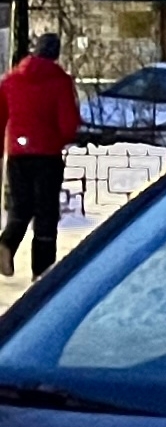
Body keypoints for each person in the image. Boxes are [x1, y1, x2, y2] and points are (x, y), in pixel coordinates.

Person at [0, 32, 81, 279]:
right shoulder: (60, 81)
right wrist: (62, 138)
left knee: (21, 207)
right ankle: (42, 272)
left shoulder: (11, 80)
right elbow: (68, 124)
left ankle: (6, 244)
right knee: (46, 213)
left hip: (17, 155)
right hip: (47, 156)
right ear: (56, 53)